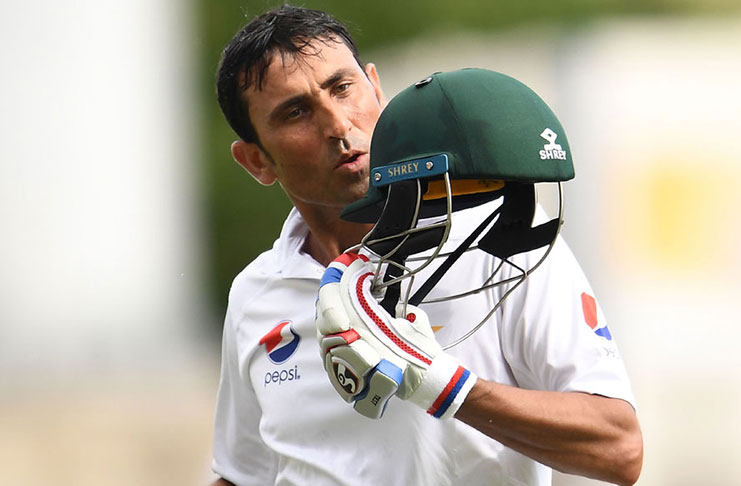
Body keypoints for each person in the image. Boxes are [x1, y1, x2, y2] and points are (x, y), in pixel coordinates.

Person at [211, 5, 643, 486]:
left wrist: (445, 386)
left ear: (376, 88)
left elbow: (618, 448)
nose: (337, 125)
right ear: (256, 161)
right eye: (296, 112)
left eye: (342, 88)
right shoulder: (254, 293)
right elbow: (242, 475)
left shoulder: (498, 234)